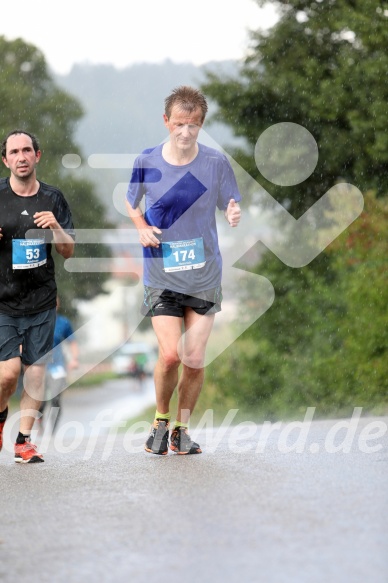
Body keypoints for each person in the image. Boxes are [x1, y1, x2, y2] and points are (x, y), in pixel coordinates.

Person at [126, 86, 241, 455]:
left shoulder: (215, 163)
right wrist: (141, 227)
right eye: (179, 124)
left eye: (193, 125)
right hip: (161, 272)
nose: (185, 132)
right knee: (171, 355)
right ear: (166, 121)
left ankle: (180, 429)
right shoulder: (147, 162)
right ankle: (160, 418)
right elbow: (132, 205)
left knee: (193, 358)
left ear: (201, 124)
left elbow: (230, 202)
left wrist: (234, 211)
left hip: (204, 274)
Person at [0, 130, 75, 463]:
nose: (21, 156)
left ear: (37, 156)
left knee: (36, 372)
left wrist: (56, 226)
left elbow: (68, 251)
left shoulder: (53, 198)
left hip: (42, 299)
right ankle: (1, 420)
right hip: (3, 300)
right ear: (6, 160)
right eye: (14, 151)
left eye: (26, 150)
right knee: (8, 373)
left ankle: (23, 442)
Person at [38, 296, 79, 433]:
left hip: (58, 366)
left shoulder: (63, 322)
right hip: (40, 366)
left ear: (58, 305)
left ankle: (52, 430)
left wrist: (74, 359)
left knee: (56, 398)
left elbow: (72, 342)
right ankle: (39, 419)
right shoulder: (37, 321)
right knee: (41, 399)